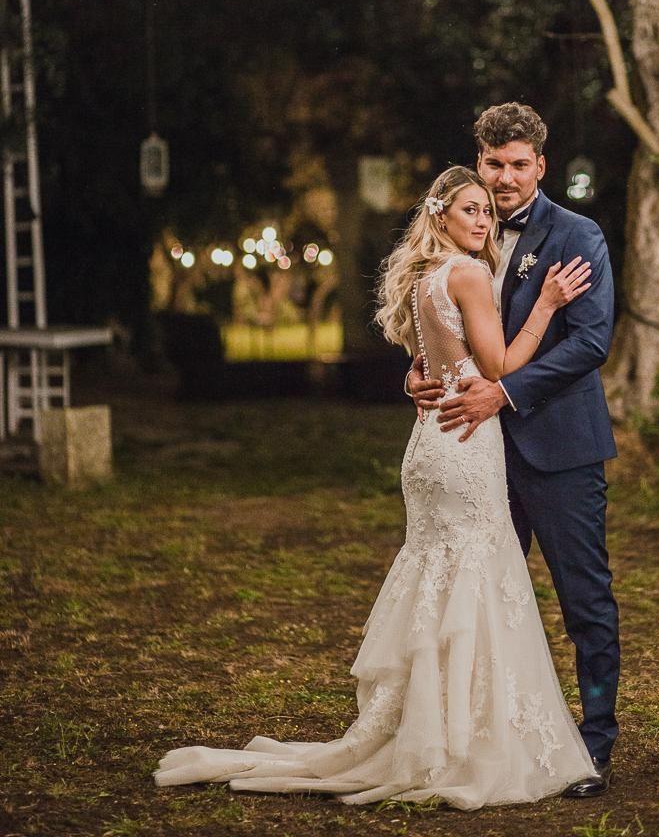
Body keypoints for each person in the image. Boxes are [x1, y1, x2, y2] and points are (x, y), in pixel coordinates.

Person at [153, 163, 598, 808]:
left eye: (486, 210)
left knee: (439, 577)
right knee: (475, 575)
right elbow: (500, 364)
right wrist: (549, 305)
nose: (483, 220)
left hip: (429, 441)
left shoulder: (424, 277)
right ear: (441, 215)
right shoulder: (469, 274)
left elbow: (428, 363)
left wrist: (424, 378)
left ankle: (431, 728)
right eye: (470, 209)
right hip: (467, 439)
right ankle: (466, 737)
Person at [408, 102, 620, 798]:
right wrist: (420, 371)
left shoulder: (577, 235)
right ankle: (479, 738)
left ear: (541, 166)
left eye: (518, 165)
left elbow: (591, 341)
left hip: (560, 448)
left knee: (583, 599)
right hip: (478, 455)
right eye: (493, 163)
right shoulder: (464, 231)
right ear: (479, 161)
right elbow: (448, 328)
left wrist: (504, 393)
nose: (504, 178)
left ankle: (594, 743)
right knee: (479, 601)